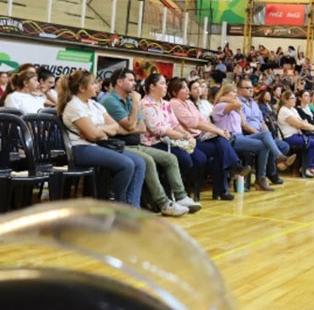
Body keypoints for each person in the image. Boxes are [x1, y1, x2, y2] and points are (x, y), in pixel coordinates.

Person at [101, 69, 197, 216]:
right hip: (121, 145)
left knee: (170, 158)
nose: (135, 84)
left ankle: (181, 196)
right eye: (131, 80)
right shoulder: (111, 101)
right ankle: (164, 203)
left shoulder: (129, 99)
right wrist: (134, 107)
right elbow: (130, 124)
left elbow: (141, 127)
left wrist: (129, 125)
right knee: (148, 161)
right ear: (119, 82)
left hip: (136, 143)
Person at [57, 69, 146, 206]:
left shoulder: (94, 104)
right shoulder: (73, 106)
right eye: (93, 84)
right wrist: (98, 131)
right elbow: (92, 135)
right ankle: (117, 207)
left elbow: (115, 126)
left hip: (99, 144)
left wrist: (97, 129)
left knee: (140, 162)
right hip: (80, 148)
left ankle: (133, 206)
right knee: (126, 165)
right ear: (82, 88)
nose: (97, 86)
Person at [170, 78, 247, 201]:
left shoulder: (189, 103)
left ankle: (231, 173)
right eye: (183, 88)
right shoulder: (174, 103)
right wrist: (217, 131)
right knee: (220, 147)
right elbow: (192, 122)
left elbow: (203, 120)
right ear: (174, 92)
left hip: (201, 136)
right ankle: (230, 175)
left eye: (186, 87)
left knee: (222, 142)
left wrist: (219, 130)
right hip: (188, 139)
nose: (187, 90)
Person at [139, 73, 210, 203]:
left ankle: (178, 188)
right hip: (154, 142)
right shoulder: (145, 104)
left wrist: (188, 135)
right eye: (162, 83)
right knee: (184, 159)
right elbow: (158, 130)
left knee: (199, 158)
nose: (165, 86)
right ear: (152, 87)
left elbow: (175, 124)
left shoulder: (166, 104)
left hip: (171, 139)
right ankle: (173, 191)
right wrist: (184, 136)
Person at [236, 79, 295, 189]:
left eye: (251, 88)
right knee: (266, 143)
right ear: (239, 90)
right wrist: (261, 135)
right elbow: (244, 125)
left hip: (261, 133)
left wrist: (266, 133)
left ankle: (269, 171)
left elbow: (262, 121)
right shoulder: (237, 103)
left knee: (283, 145)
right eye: (247, 88)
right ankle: (270, 172)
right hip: (247, 134)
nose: (250, 90)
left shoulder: (254, 103)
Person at [276, 91, 314, 178]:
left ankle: (311, 167)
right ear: (285, 100)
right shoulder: (284, 111)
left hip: (298, 135)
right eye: (292, 98)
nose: (294, 100)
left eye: (295, 98)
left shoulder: (293, 109)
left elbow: (303, 122)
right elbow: (299, 125)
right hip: (289, 137)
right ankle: (305, 168)